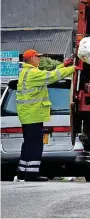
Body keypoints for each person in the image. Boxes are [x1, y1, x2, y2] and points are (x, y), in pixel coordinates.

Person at [14, 50, 76, 182]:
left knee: (28, 144)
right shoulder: (33, 73)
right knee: (36, 144)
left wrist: (63, 66)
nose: (39, 59)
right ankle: (32, 175)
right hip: (33, 114)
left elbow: (47, 74)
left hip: (28, 114)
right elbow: (51, 76)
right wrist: (72, 69)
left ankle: (22, 172)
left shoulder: (26, 72)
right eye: (37, 57)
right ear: (31, 59)